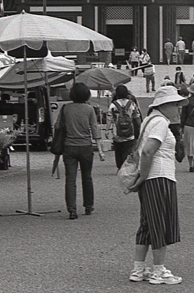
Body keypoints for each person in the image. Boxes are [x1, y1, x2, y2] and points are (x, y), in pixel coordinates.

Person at [128, 86, 187, 285]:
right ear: (165, 105)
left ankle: (139, 268)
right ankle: (158, 270)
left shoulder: (149, 120)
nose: (179, 109)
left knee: (146, 223)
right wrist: (143, 176)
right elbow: (148, 151)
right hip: (160, 176)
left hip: (151, 178)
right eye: (176, 105)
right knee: (160, 222)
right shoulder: (161, 122)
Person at [54, 82, 105, 219]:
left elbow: (58, 126)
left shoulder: (65, 108)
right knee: (87, 177)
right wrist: (100, 150)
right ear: (87, 94)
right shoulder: (89, 109)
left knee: (70, 179)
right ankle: (88, 205)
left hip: (69, 147)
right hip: (86, 146)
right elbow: (95, 128)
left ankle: (72, 209)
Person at [108, 85, 142, 170]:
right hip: (130, 132)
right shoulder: (132, 104)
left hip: (117, 133)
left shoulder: (113, 105)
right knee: (128, 150)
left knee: (118, 150)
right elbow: (137, 117)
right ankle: (126, 167)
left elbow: (109, 118)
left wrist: (107, 130)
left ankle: (120, 166)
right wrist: (140, 128)